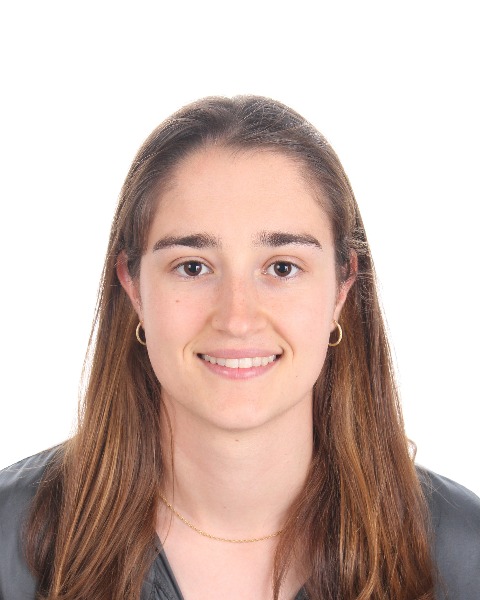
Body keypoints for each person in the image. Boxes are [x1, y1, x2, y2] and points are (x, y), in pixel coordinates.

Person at [0, 96, 479, 600]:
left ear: (342, 288)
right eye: (192, 267)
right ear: (134, 287)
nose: (236, 319)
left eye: (282, 268)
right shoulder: (10, 536)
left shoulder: (463, 552)